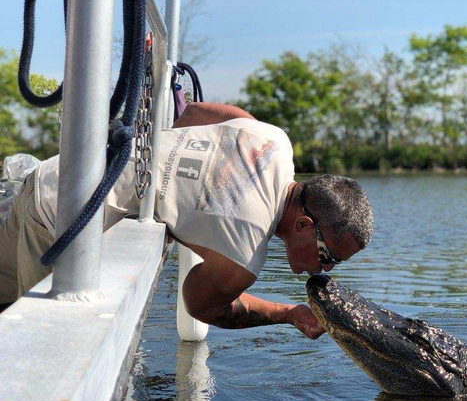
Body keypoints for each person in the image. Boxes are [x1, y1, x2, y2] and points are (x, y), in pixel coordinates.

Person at [0, 102, 374, 339]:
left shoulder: (271, 139)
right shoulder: (244, 253)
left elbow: (195, 114)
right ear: (304, 226)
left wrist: (171, 183)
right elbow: (203, 306)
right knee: (37, 344)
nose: (322, 271)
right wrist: (287, 314)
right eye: (329, 257)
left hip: (50, 172)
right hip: (57, 223)